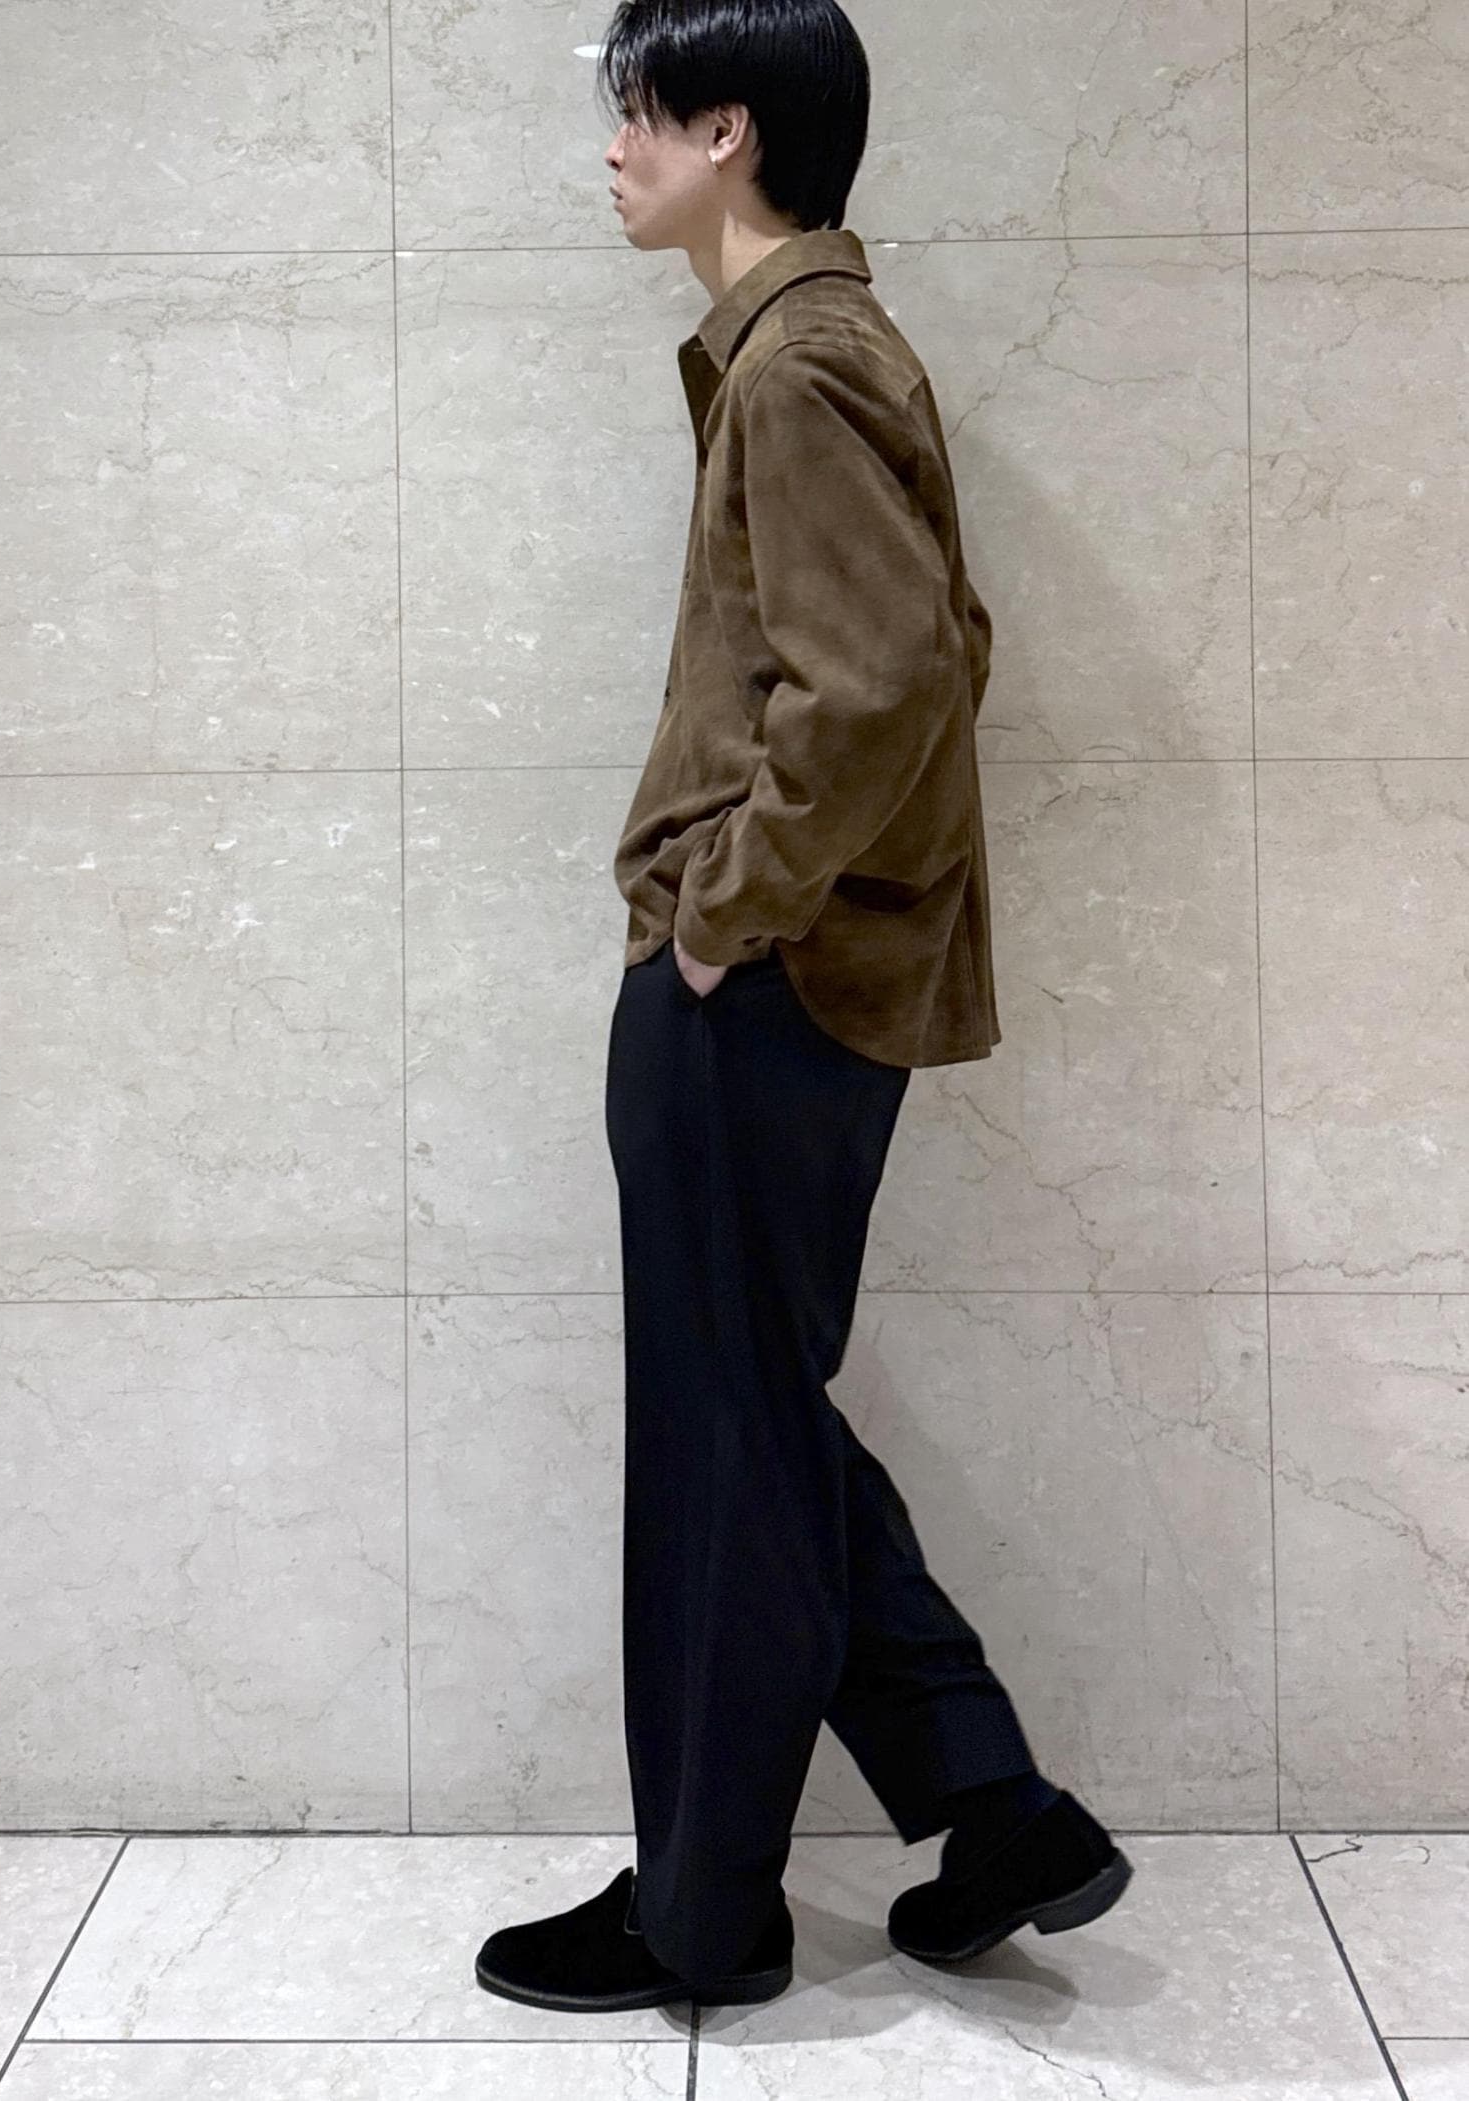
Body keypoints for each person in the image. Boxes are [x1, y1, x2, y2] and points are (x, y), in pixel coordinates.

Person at [475, 0, 1133, 2014]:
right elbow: (923, 652)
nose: (613, 148)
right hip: (786, 981)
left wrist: (723, 920)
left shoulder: (803, 360)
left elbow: (887, 679)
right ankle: (989, 1803)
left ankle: (705, 1913)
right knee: (750, 1416)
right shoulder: (806, 348)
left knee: (720, 1441)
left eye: (637, 111)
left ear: (730, 130)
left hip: (757, 988)